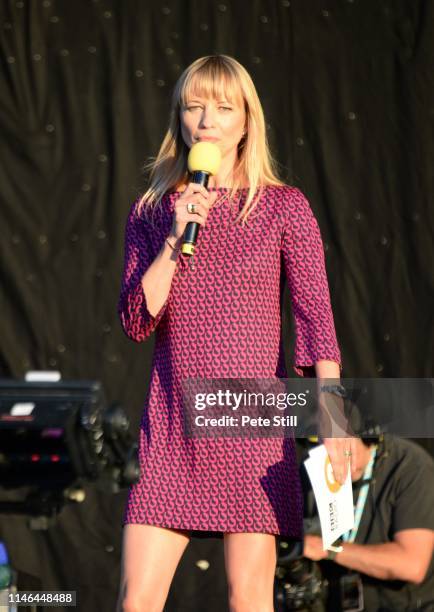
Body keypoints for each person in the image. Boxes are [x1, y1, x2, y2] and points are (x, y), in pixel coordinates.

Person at [116, 54, 350, 612]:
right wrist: (176, 238)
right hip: (173, 430)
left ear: (247, 119)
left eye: (223, 108)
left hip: (249, 426)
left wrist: (335, 424)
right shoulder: (152, 211)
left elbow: (317, 316)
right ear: (179, 118)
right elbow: (134, 320)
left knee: (248, 599)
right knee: (136, 601)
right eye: (195, 107)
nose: (208, 121)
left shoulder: (283, 208)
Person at [303, 435, 434, 611]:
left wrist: (330, 548)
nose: (333, 452)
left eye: (342, 442)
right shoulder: (311, 467)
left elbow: (411, 564)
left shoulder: (409, 464)